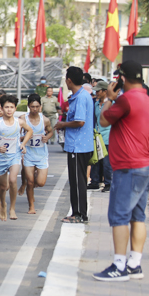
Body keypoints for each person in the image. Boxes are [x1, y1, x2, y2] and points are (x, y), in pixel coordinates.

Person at [93, 60, 149, 281]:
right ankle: (134, 264)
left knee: (119, 216)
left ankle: (119, 266)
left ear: (122, 78)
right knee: (138, 216)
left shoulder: (126, 100)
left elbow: (103, 119)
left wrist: (110, 98)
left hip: (128, 168)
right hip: (145, 166)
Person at [0, 95, 33, 221]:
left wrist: (23, 143)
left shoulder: (19, 122)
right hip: (1, 158)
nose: (9, 110)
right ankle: (2, 206)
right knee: (3, 186)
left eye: (11, 107)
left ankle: (12, 209)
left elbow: (30, 131)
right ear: (2, 109)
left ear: (15, 108)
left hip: (14, 156)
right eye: (6, 107)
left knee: (13, 180)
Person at [54, 66, 94, 223]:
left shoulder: (81, 97)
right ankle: (77, 212)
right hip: (78, 145)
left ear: (69, 81)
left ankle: (79, 214)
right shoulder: (81, 95)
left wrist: (62, 124)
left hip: (79, 145)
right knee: (76, 180)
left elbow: (80, 121)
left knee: (78, 181)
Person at [20, 94, 52, 215]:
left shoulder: (45, 120)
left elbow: (51, 131)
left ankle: (30, 188)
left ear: (40, 106)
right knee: (30, 182)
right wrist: (25, 137)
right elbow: (17, 135)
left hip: (41, 155)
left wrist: (47, 137)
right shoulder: (23, 119)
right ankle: (31, 206)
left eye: (37, 106)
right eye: (32, 106)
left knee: (41, 183)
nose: (34, 109)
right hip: (28, 154)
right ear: (28, 106)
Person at [88, 80, 113, 192]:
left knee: (107, 162)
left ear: (104, 91)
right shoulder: (96, 104)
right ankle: (95, 181)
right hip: (97, 136)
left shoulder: (111, 104)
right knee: (95, 160)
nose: (96, 93)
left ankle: (108, 183)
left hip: (108, 136)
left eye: (98, 91)